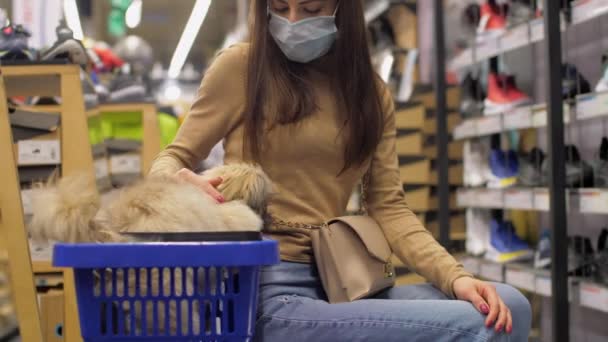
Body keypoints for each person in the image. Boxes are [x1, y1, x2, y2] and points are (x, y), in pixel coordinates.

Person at [149, 0, 531, 341]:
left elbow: (389, 208)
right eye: (280, 9)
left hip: (339, 281)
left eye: (311, 10)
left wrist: (456, 276)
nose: (293, 22)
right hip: (264, 291)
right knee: (480, 325)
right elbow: (170, 160)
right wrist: (182, 181)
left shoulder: (369, 92)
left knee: (510, 305)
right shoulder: (241, 68)